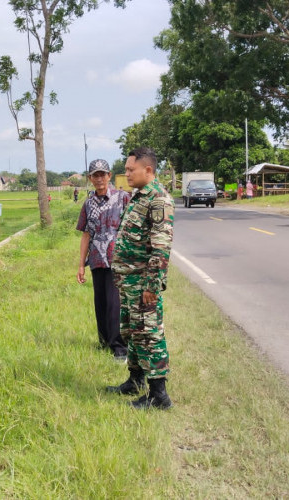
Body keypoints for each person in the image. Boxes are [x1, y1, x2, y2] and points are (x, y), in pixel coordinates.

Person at [106, 147, 175, 410]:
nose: (126, 174)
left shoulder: (158, 200)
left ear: (148, 170)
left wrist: (151, 286)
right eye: (125, 169)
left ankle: (159, 396)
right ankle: (135, 381)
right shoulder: (139, 197)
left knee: (149, 334)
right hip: (129, 282)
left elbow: (161, 247)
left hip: (142, 284)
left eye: (130, 169)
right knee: (133, 332)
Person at [76, 159, 131, 361]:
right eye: (95, 175)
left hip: (117, 260)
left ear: (109, 176)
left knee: (114, 303)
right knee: (100, 302)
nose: (99, 179)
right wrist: (81, 264)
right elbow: (85, 235)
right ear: (90, 179)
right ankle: (104, 341)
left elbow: (133, 228)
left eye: (102, 174)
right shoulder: (88, 204)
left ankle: (119, 347)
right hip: (97, 260)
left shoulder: (123, 198)